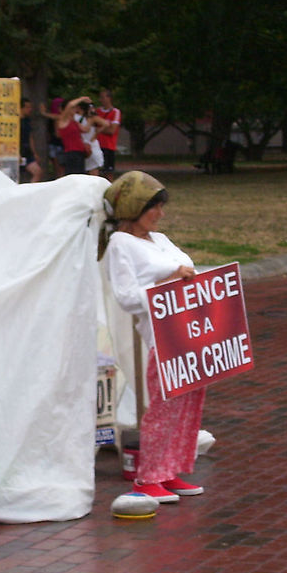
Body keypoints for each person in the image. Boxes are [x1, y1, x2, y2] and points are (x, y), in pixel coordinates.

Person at [98, 171, 205, 503]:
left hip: (189, 330)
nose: (160, 214)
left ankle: (169, 471)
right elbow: (127, 297)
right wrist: (171, 283)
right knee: (163, 406)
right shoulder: (120, 245)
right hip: (162, 336)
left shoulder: (159, 240)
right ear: (133, 209)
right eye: (152, 208)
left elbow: (186, 269)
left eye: (160, 206)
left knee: (187, 403)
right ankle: (147, 478)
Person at [54, 96, 92, 176]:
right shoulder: (63, 120)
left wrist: (90, 117)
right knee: (73, 175)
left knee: (81, 176)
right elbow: (70, 104)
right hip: (71, 152)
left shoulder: (74, 122)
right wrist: (82, 99)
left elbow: (86, 129)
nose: (75, 110)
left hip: (80, 152)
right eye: (74, 108)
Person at [76, 101, 111, 176]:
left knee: (93, 169)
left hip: (90, 144)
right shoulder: (80, 118)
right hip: (85, 144)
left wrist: (98, 131)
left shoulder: (91, 119)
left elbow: (86, 129)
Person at [95, 89, 122, 178]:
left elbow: (112, 130)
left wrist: (99, 129)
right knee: (96, 171)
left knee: (108, 172)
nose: (101, 100)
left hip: (108, 146)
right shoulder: (97, 112)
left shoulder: (115, 112)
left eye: (103, 97)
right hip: (97, 145)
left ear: (109, 98)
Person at [19, 98, 43, 183]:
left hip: (27, 152)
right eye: (27, 107)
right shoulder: (16, 122)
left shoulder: (27, 121)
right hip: (17, 152)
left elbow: (30, 137)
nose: (30, 109)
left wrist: (34, 153)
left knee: (38, 172)